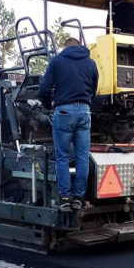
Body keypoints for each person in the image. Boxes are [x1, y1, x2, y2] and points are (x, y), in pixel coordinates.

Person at [40, 37, 100, 212]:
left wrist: (47, 104)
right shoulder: (91, 63)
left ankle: (65, 198)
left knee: (63, 158)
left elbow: (44, 88)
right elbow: (94, 90)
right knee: (82, 157)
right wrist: (86, 105)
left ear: (64, 47)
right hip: (84, 111)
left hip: (64, 111)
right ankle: (78, 198)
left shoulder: (57, 61)